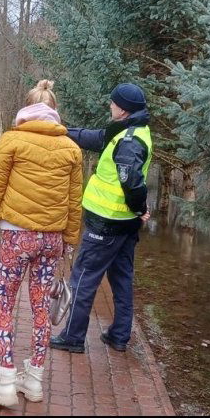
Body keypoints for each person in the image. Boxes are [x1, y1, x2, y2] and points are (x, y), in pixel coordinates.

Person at [0, 80, 83, 407]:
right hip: (52, 240)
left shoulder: (12, 141)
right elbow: (75, 203)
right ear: (54, 112)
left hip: (16, 237)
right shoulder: (71, 149)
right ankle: (33, 381)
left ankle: (5, 378)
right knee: (41, 308)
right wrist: (69, 242)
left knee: (4, 301)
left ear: (27, 109)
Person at [49, 83, 152, 354]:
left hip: (107, 223)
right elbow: (93, 138)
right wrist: (61, 131)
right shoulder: (128, 131)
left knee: (83, 278)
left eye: (113, 103)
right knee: (122, 279)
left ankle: (72, 337)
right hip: (123, 223)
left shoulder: (129, 141)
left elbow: (132, 182)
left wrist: (141, 208)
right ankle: (119, 336)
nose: (110, 105)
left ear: (123, 109)